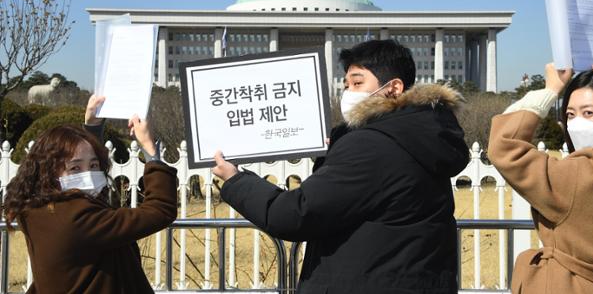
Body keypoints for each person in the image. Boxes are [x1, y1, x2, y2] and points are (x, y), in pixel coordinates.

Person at [213, 39, 470, 294]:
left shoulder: (372, 144)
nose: (348, 92)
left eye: (358, 83)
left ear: (394, 88)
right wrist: (335, 151)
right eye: (346, 84)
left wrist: (235, 179)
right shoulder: (419, 135)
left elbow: (296, 214)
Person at [488, 64, 593, 293]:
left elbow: (504, 146)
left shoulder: (578, 176)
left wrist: (551, 89)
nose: (576, 122)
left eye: (588, 113)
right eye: (570, 114)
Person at [2, 96, 177, 293]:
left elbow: (94, 200)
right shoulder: (79, 219)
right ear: (48, 172)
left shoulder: (39, 210)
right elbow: (161, 209)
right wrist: (151, 152)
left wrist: (92, 129)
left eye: (93, 165)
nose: (88, 174)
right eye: (75, 168)